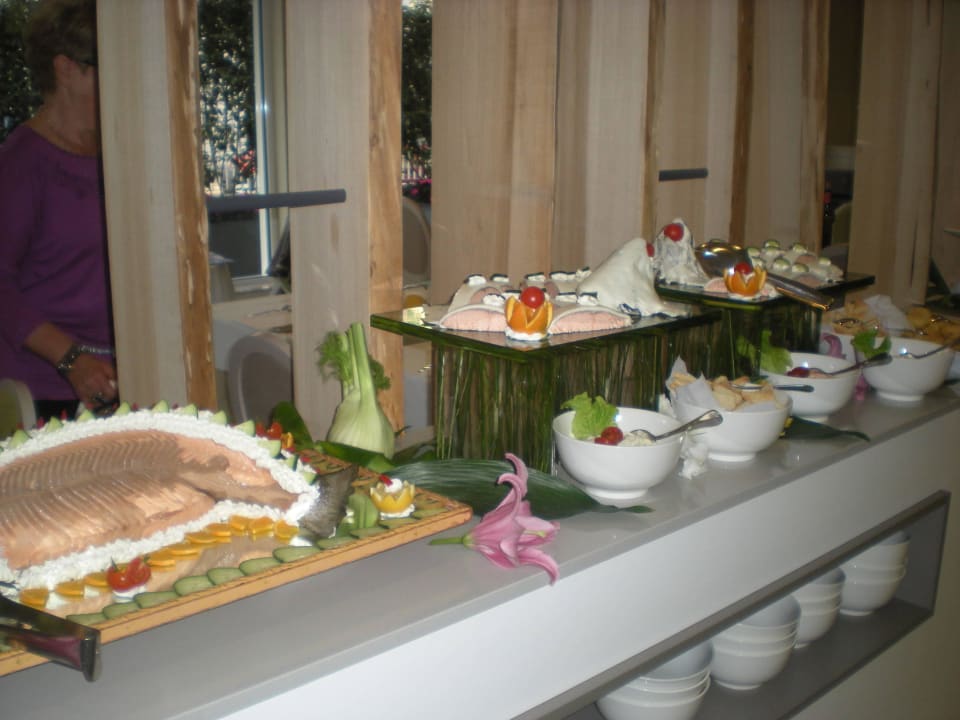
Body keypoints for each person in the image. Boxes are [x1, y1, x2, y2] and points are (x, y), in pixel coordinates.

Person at [0, 0, 117, 422]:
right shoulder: (21, 164)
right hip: (48, 388)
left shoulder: (119, 153)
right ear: (66, 69)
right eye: (107, 65)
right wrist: (71, 360)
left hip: (121, 376)